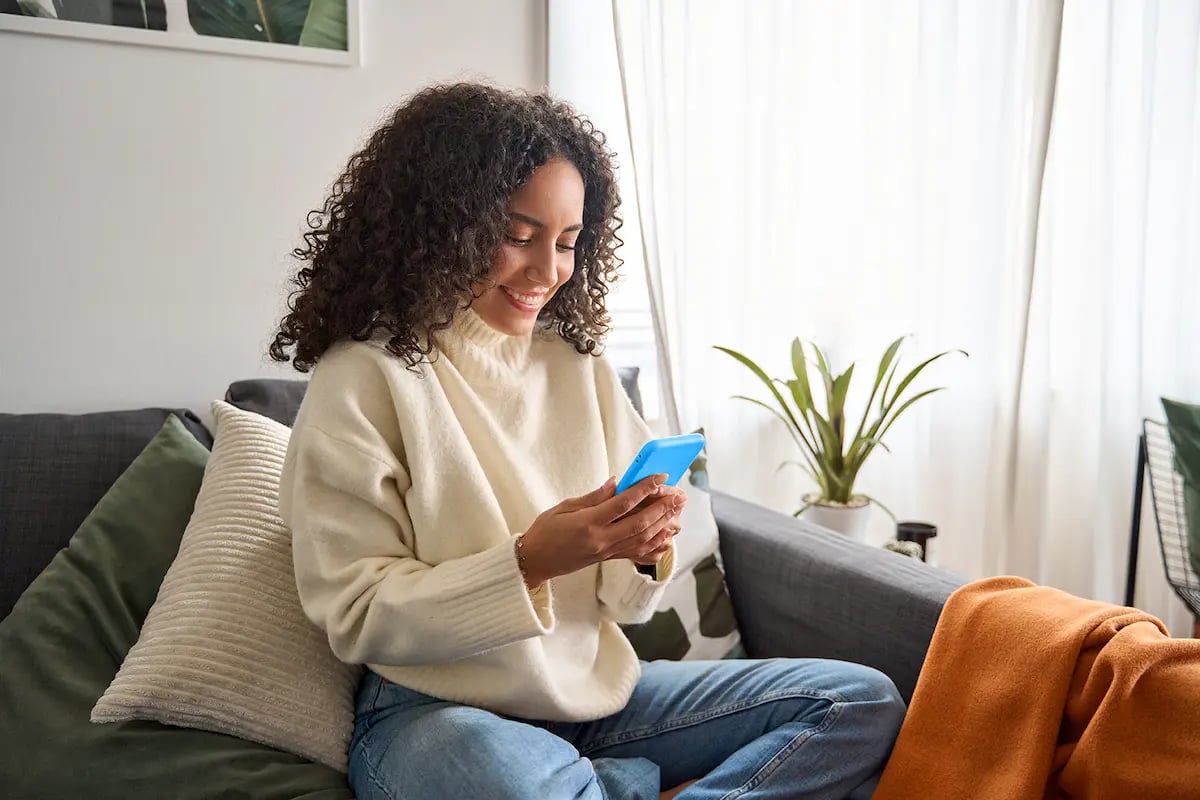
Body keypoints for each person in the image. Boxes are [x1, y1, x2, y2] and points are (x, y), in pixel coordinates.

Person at [271, 82, 904, 800]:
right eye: (519, 236)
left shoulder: (579, 369)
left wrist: (640, 546)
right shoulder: (364, 376)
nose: (549, 271)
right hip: (438, 717)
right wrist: (532, 560)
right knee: (500, 779)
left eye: (568, 242)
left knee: (858, 701)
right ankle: (616, 786)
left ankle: (601, 783)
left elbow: (626, 607)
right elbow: (356, 615)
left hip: (594, 702)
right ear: (442, 223)